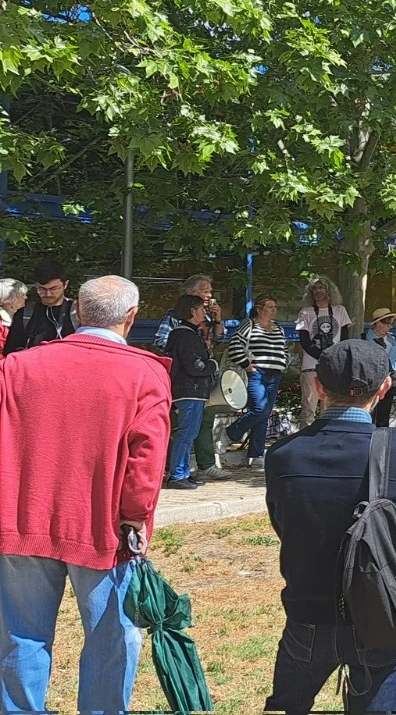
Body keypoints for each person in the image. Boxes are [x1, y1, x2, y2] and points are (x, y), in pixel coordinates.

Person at [0, 276, 168, 714]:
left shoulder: (17, 366)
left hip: (22, 518)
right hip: (103, 526)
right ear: (131, 317)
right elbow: (145, 460)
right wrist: (136, 519)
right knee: (111, 636)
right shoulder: (145, 372)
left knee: (21, 633)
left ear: (77, 312)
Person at [264, 340, 396, 713]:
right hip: (381, 609)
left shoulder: (283, 454)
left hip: (308, 609)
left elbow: (283, 522)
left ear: (318, 387)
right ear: (385, 387)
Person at [227, 296, 291, 467]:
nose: (274, 310)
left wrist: (283, 362)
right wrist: (247, 365)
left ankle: (256, 455)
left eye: (275, 307)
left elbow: (284, 349)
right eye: (270, 307)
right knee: (260, 409)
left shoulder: (278, 328)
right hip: (258, 373)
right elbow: (234, 345)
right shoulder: (250, 324)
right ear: (259, 308)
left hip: (275, 374)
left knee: (264, 414)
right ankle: (231, 433)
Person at [165, 294, 218, 490]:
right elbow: (195, 366)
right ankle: (177, 474)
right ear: (192, 311)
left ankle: (184, 472)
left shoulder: (185, 333)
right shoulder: (185, 335)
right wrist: (212, 364)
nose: (204, 312)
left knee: (190, 433)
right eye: (201, 309)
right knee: (186, 433)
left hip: (190, 391)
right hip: (190, 390)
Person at [294, 276, 352, 427]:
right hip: (311, 366)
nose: (318, 291)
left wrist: (335, 359)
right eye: (315, 289)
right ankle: (305, 442)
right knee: (308, 408)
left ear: (329, 290)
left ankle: (326, 439)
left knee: (330, 407)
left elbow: (345, 338)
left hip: (333, 366)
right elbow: (305, 340)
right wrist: (322, 355)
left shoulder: (340, 311)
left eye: (321, 288)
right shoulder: (305, 312)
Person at [3, 258, 77, 355]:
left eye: (54, 289)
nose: (48, 294)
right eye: (41, 289)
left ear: (65, 284)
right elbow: (11, 349)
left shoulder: (77, 311)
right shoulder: (25, 312)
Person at [152, 273, 225, 352]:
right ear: (190, 292)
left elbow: (218, 339)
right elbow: (160, 342)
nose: (209, 295)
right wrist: (186, 348)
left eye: (210, 292)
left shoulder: (208, 315)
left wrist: (217, 320)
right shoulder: (175, 315)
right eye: (205, 292)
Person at [363, 307, 396, 427]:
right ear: (378, 323)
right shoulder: (364, 338)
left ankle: (382, 441)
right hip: (371, 382)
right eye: (388, 323)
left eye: (392, 323)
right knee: (368, 414)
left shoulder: (393, 339)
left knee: (385, 416)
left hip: (389, 382)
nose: (390, 326)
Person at [0, 277, 27, 353]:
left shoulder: (16, 314)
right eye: (22, 295)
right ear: (10, 299)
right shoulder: (1, 321)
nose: (26, 297)